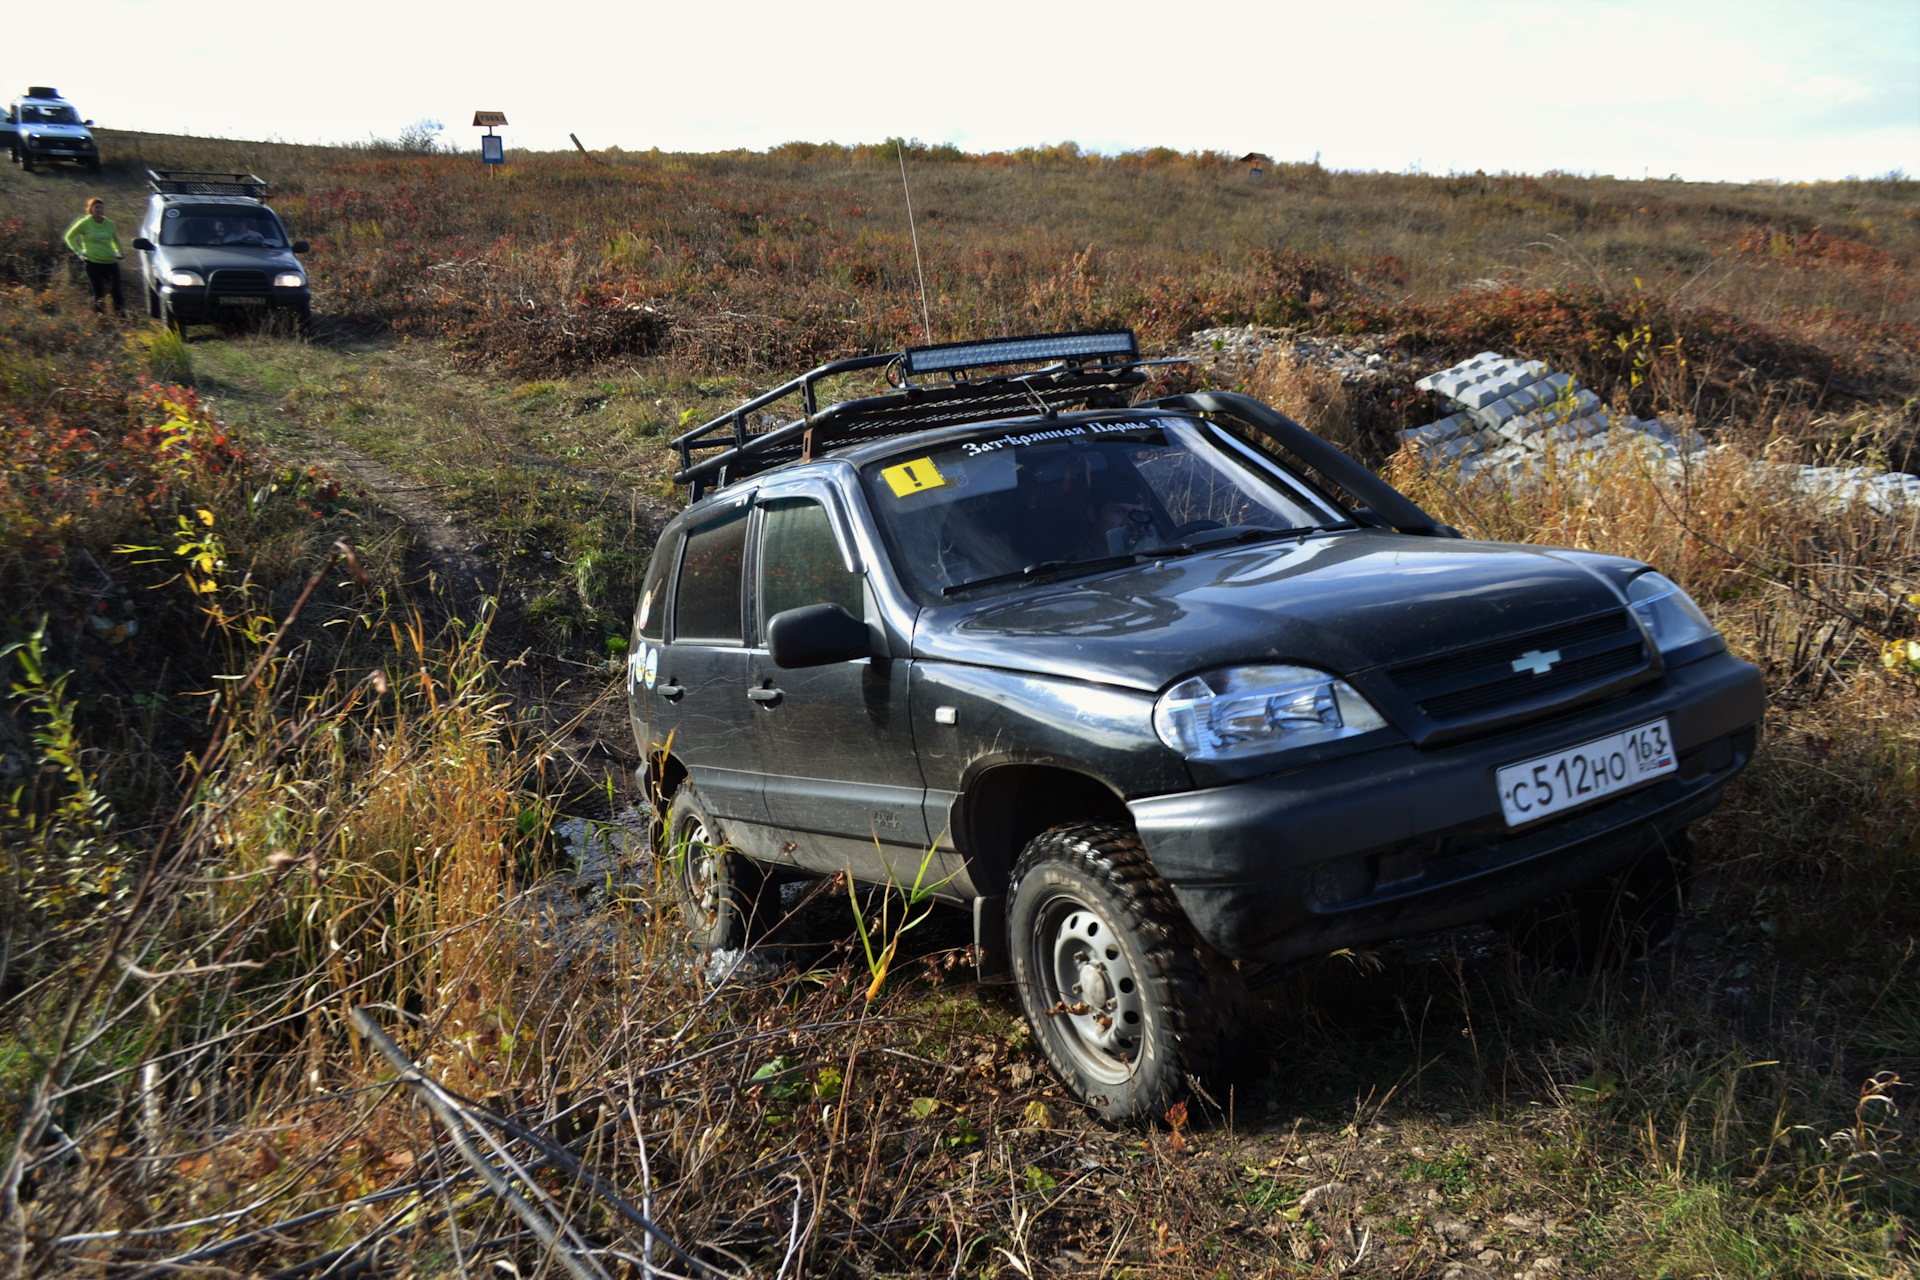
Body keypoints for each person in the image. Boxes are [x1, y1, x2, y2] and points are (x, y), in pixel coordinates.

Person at [64, 197, 124, 315]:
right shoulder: (84, 223)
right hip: (93, 262)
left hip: (110, 262)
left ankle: (121, 317)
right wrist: (79, 252)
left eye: (101, 207)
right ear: (90, 209)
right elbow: (69, 237)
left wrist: (120, 252)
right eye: (96, 207)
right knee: (98, 292)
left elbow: (115, 239)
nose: (99, 209)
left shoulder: (109, 224)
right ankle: (100, 318)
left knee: (116, 291)